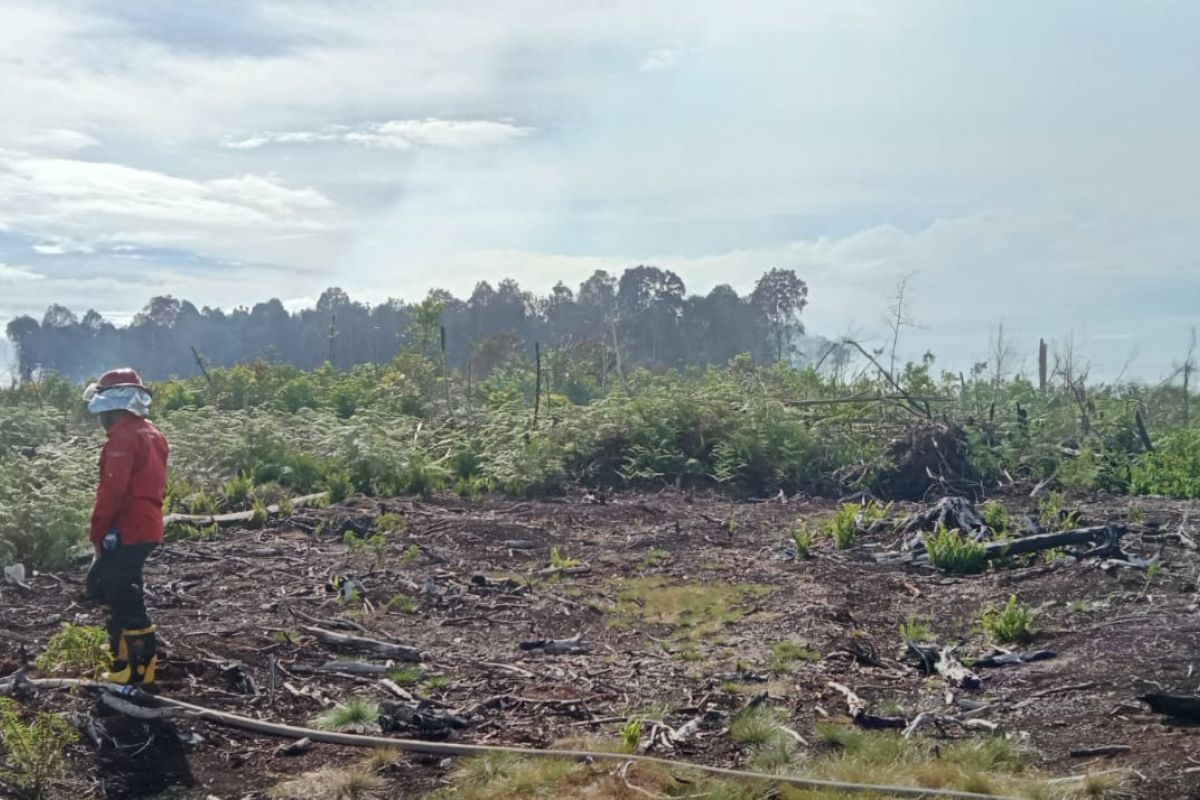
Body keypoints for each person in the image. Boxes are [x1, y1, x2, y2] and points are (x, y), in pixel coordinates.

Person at [83, 368, 169, 685]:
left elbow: (111, 493)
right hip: (147, 524)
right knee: (117, 591)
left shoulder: (123, 438)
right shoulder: (152, 433)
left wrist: (97, 533)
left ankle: (137, 669)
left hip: (128, 528)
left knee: (125, 595)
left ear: (112, 406)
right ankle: (120, 658)